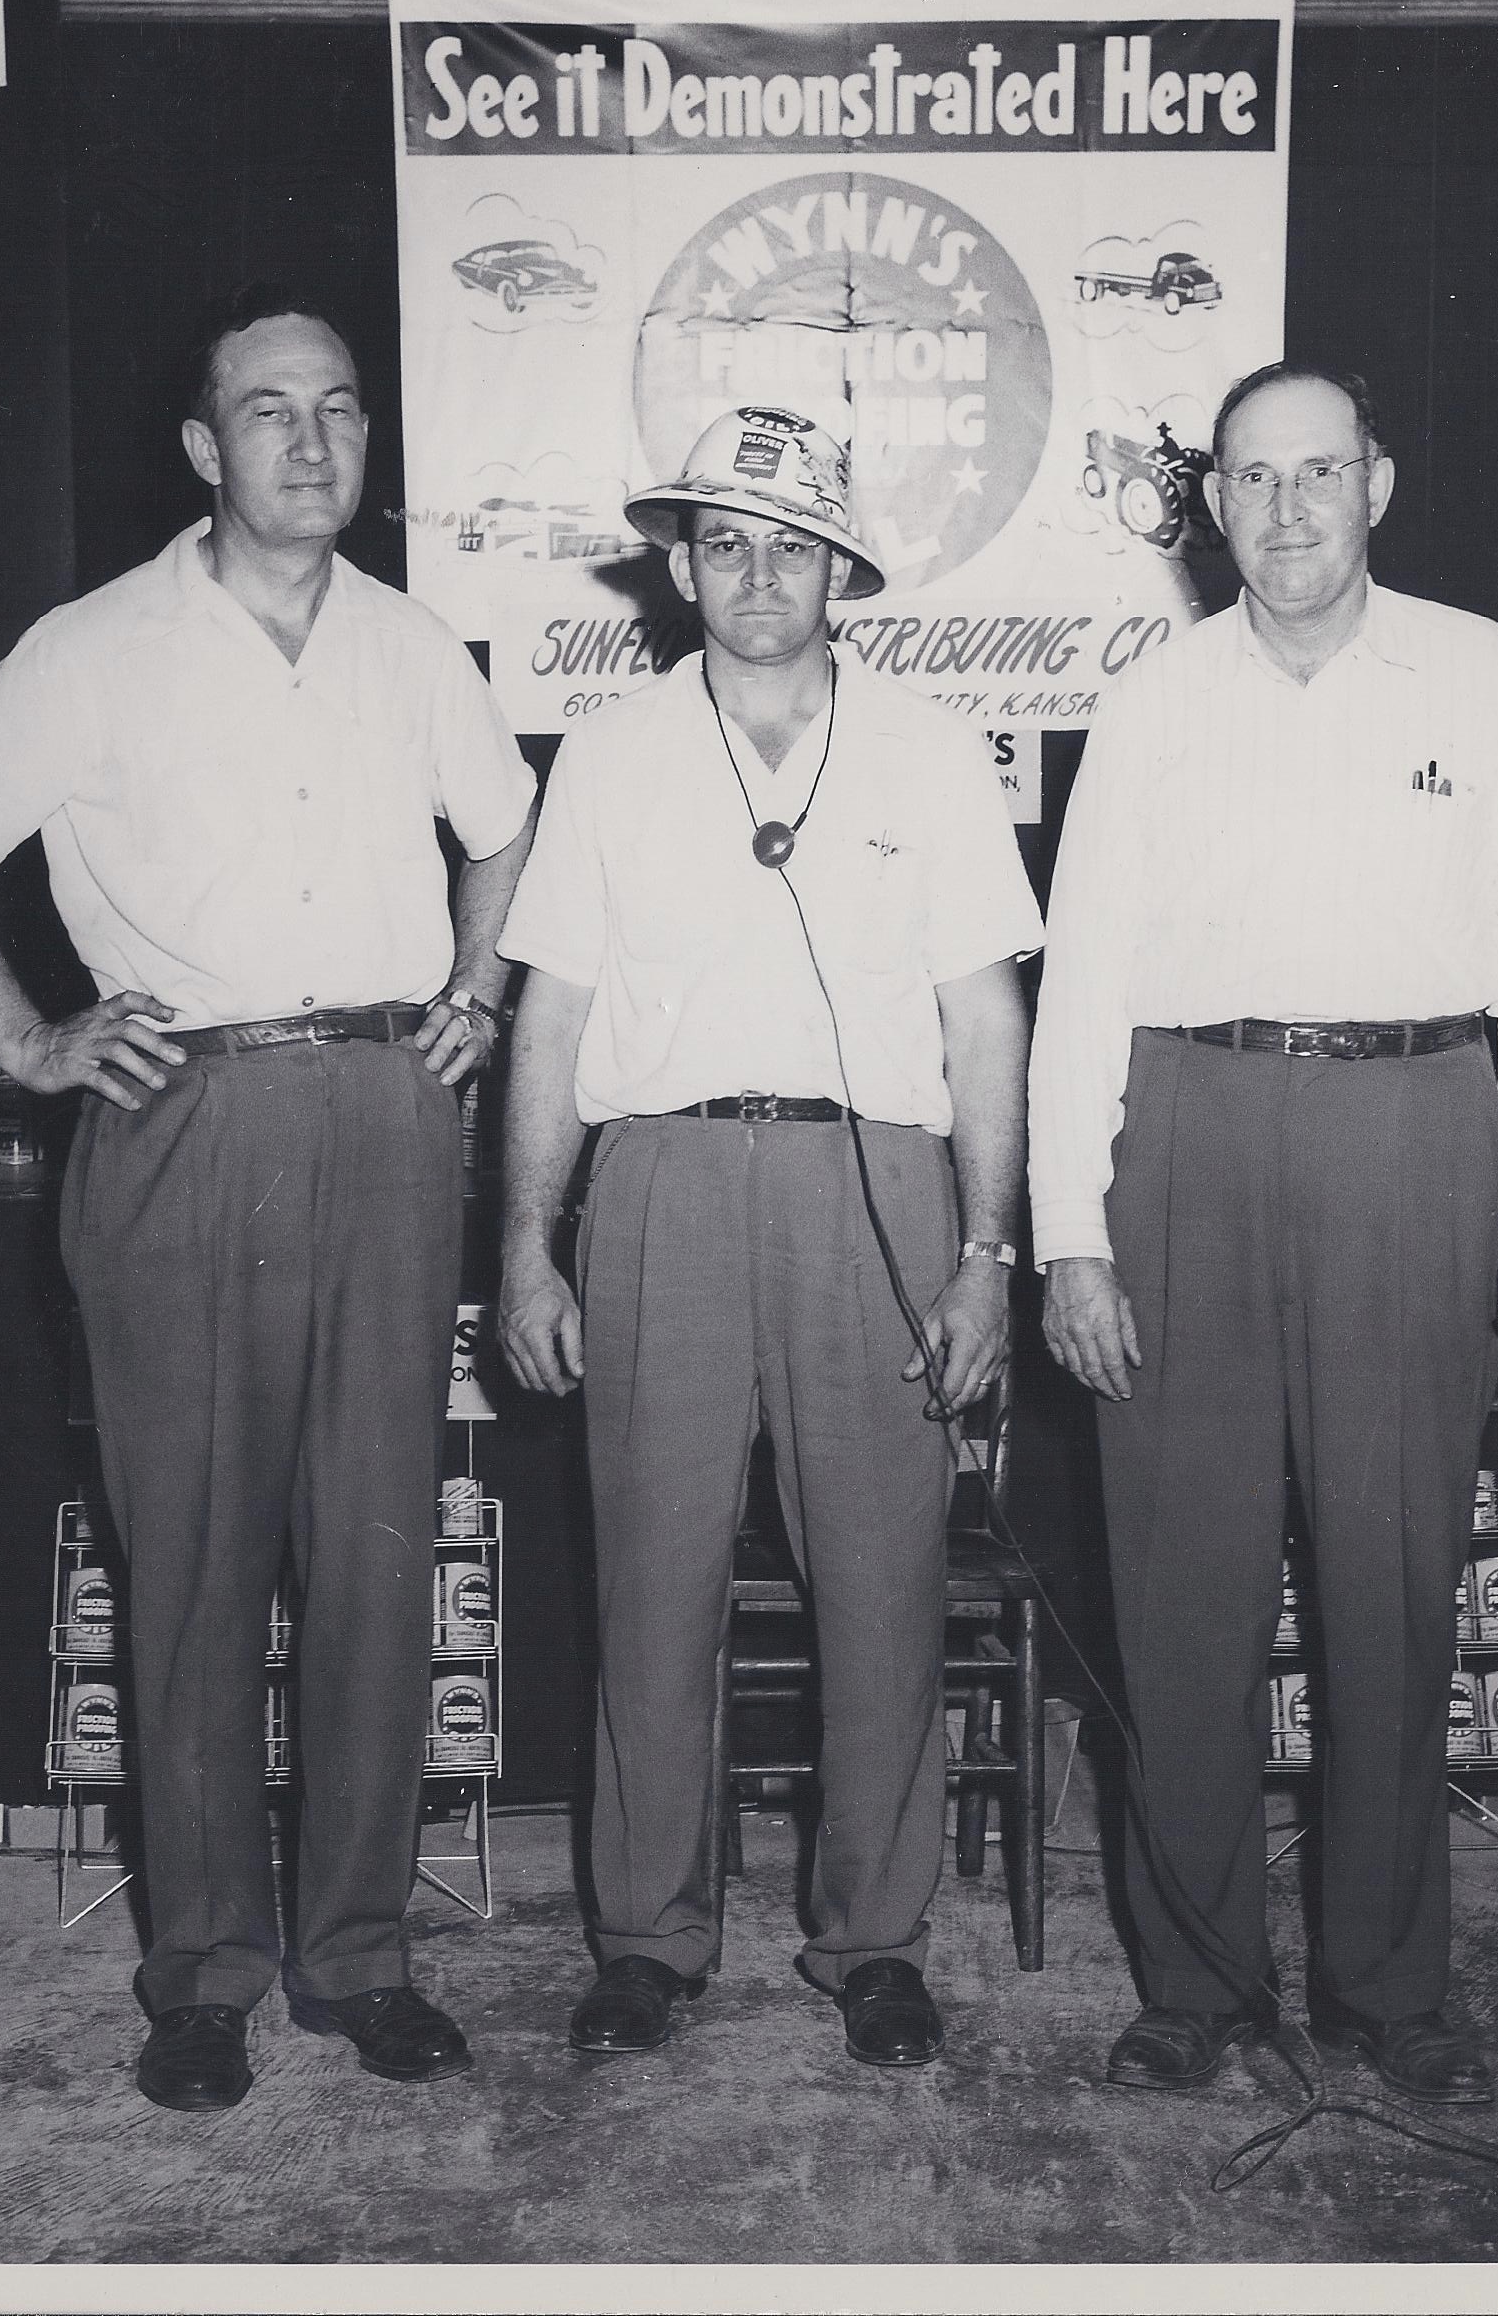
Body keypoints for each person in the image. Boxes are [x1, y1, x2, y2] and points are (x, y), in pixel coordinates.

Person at [0, 286, 540, 2114]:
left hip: (387, 1111)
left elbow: (505, 830)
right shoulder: (94, 647)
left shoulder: (416, 645)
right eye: (267, 410)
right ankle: (205, 1972)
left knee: (376, 1555)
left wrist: (477, 991)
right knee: (190, 1568)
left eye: (339, 408)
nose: (311, 442)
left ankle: (360, 1954)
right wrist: (21, 1036)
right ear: (200, 447)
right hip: (184, 1118)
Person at [1028, 361, 1498, 2106]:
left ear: (1378, 484)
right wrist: (1070, 1233)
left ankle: (1389, 1986)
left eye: (1319, 472)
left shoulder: (1480, 673)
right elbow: (1083, 981)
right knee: (1180, 1595)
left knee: (1392, 1589)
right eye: (1253, 478)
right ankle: (1196, 1984)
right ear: (1212, 503)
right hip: (1186, 1136)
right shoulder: (1151, 700)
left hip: (1412, 1131)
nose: (1286, 509)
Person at [496, 406, 1041, 2070]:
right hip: (660, 1183)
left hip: (871, 1184)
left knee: (880, 1584)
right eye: (724, 542)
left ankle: (874, 1940)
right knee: (651, 1582)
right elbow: (552, 1016)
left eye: (791, 545)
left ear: (840, 570)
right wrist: (524, 1241)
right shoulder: (607, 752)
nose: (755, 575)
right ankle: (647, 1938)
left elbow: (984, 1019)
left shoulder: (935, 751)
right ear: (679, 566)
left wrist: (987, 1251)